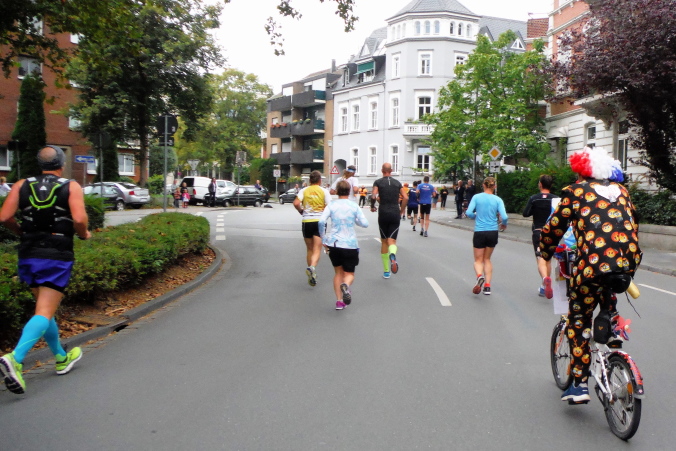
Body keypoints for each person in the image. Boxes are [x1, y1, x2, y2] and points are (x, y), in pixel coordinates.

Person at [539, 146, 642, 403]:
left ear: (582, 172)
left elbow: (554, 228)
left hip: (592, 267)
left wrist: (545, 252)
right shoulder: (622, 191)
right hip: (626, 263)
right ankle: (612, 333)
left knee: (579, 320)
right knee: (608, 291)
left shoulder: (575, 192)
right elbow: (632, 224)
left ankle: (579, 384)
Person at [0, 146, 91, 395]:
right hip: (56, 253)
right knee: (44, 311)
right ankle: (15, 359)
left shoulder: (22, 185)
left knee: (44, 309)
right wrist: (84, 234)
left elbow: (4, 216)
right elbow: (79, 219)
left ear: (40, 164)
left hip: (28, 252)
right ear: (61, 164)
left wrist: (21, 231)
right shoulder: (70, 186)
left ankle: (61, 357)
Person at [319, 180, 369, 310]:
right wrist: (355, 221)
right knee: (349, 273)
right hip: (350, 244)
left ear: (336, 191)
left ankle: (339, 301)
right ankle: (346, 285)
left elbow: (321, 221)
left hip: (334, 243)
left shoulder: (331, 205)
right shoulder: (354, 206)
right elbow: (365, 224)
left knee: (338, 273)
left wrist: (323, 238)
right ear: (349, 191)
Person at [466, 177, 508, 295]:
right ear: (494, 187)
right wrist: (504, 224)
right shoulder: (498, 199)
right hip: (492, 231)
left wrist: (475, 216)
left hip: (480, 231)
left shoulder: (476, 197)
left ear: (483, 185)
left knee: (478, 260)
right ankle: (487, 287)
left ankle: (480, 276)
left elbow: (468, 212)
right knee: (487, 259)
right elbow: (505, 217)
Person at [523, 174, 560, 298]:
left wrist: (535, 210)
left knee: (540, 259)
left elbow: (525, 213)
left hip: (538, 232)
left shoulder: (534, 199)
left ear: (540, 184)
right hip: (552, 233)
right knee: (547, 259)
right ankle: (544, 287)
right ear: (551, 185)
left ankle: (545, 279)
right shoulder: (556, 199)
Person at [293, 171, 331, 287]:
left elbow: (296, 203)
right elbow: (330, 206)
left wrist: (301, 211)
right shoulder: (324, 191)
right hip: (319, 221)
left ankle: (311, 273)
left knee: (309, 249)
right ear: (320, 180)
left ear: (309, 180)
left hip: (307, 222)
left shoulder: (304, 190)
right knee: (317, 249)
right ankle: (312, 267)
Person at [371, 163, 408, 278]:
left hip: (383, 213)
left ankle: (386, 271)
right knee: (392, 241)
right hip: (395, 213)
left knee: (384, 241)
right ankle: (392, 254)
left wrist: (372, 206)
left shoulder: (378, 182)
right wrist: (401, 211)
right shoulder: (397, 183)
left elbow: (373, 196)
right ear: (391, 170)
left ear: (382, 170)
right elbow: (405, 197)